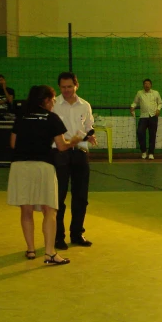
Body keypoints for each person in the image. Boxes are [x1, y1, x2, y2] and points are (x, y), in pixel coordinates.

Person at [8, 85, 82, 265]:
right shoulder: (52, 118)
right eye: (53, 99)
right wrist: (75, 141)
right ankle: (49, 253)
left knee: (26, 210)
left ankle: (31, 250)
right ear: (46, 100)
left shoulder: (22, 116)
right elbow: (62, 146)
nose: (55, 102)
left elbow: (12, 144)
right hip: (43, 167)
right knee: (49, 210)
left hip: (20, 167)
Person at [53, 72, 96, 249]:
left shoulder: (85, 105)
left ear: (76, 86)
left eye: (69, 86)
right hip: (59, 152)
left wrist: (90, 136)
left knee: (80, 195)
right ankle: (58, 237)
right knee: (59, 196)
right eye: (63, 87)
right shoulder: (53, 104)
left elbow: (88, 127)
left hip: (80, 150)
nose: (66, 90)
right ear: (59, 87)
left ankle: (77, 234)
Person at [130, 78, 162, 160]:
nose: (147, 85)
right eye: (145, 83)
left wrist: (158, 109)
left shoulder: (156, 93)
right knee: (140, 132)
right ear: (143, 85)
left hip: (153, 116)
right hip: (143, 116)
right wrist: (132, 107)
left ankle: (151, 153)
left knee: (152, 135)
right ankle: (144, 152)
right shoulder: (139, 93)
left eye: (148, 83)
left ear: (151, 85)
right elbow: (135, 102)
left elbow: (160, 103)